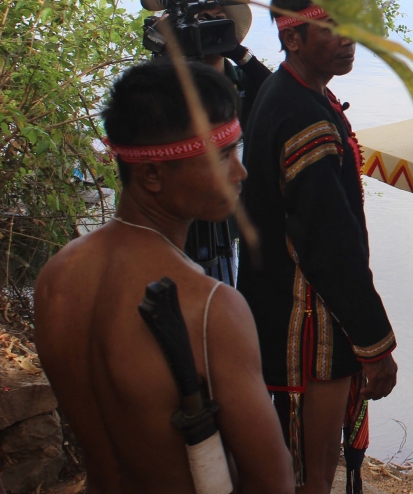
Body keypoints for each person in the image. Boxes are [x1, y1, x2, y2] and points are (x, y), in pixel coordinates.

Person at [34, 61, 293, 493]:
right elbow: (273, 479)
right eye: (223, 156)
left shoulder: (57, 276)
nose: (240, 173)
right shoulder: (208, 306)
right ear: (151, 173)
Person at [237, 0, 397, 494]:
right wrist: (375, 344)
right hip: (304, 319)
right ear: (292, 37)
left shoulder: (284, 92)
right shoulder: (302, 115)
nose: (348, 37)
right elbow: (331, 246)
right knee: (311, 464)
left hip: (273, 301)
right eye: (329, 26)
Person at [182, 0, 272, 284]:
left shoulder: (241, 76)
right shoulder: (178, 81)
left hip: (233, 208)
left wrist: (238, 52)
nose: (212, 27)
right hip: (191, 208)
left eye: (220, 20)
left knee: (228, 276)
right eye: (203, 20)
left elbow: (275, 93)